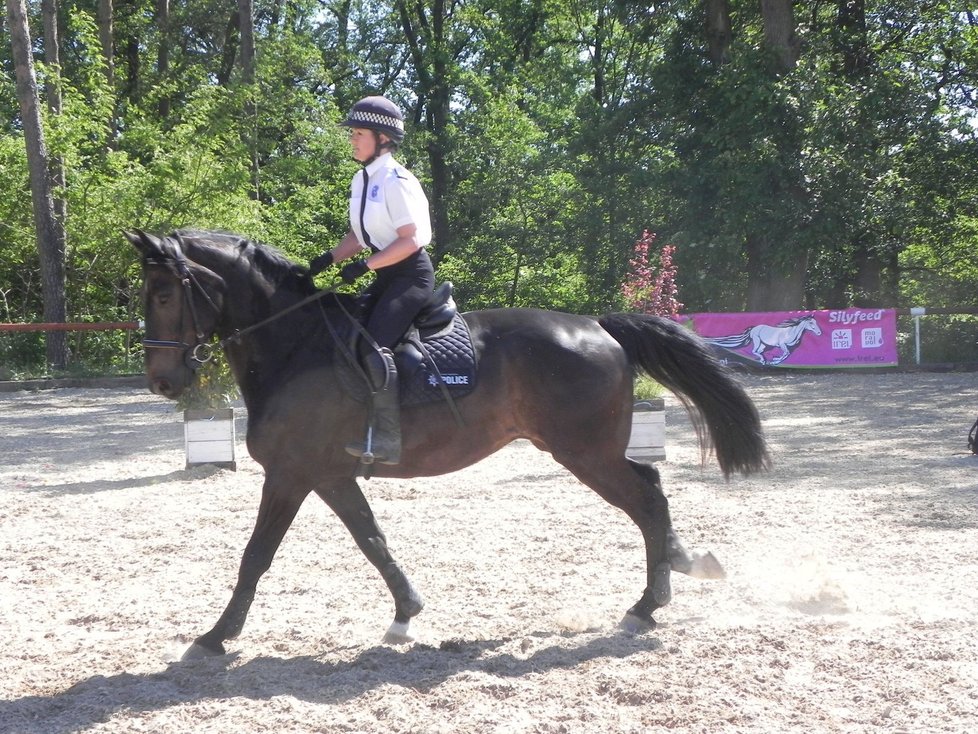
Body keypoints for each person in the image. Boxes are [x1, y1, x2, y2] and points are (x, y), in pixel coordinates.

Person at [308, 95, 435, 465]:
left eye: (358, 133)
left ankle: (389, 438)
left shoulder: (397, 180)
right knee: (344, 335)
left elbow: (411, 240)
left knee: (371, 346)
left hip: (410, 274)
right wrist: (327, 259)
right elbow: (360, 235)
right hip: (384, 272)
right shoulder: (362, 179)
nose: (352, 139)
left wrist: (366, 267)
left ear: (381, 137)